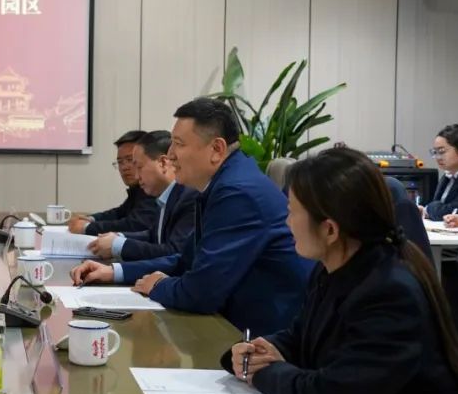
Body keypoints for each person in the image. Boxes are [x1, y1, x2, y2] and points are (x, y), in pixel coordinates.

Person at [224, 148, 458, 394]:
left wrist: (261, 372)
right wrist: (255, 350)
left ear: (329, 229)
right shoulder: (334, 269)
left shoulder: (390, 292)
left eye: (291, 212)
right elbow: (301, 336)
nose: (286, 222)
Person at [72, 98, 313, 336]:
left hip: (263, 337)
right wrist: (114, 272)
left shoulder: (237, 193)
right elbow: (185, 260)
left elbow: (202, 292)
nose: (170, 155)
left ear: (216, 149)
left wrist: (159, 285)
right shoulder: (222, 183)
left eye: (178, 144)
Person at [86, 130, 197, 264]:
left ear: (163, 163)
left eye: (139, 167)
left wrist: (119, 246)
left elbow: (174, 252)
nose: (137, 176)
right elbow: (153, 235)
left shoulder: (189, 198)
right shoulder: (166, 195)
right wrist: (119, 237)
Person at [68, 130, 160, 235]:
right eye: (120, 162)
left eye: (130, 160)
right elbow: (119, 213)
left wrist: (87, 228)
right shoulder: (137, 189)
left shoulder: (153, 189)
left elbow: (135, 224)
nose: (124, 167)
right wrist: (91, 219)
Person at [422, 124, 458, 221]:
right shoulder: (446, 176)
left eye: (442, 151)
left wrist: (428, 209)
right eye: (435, 152)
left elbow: (452, 212)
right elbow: (438, 206)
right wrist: (426, 210)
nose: (438, 157)